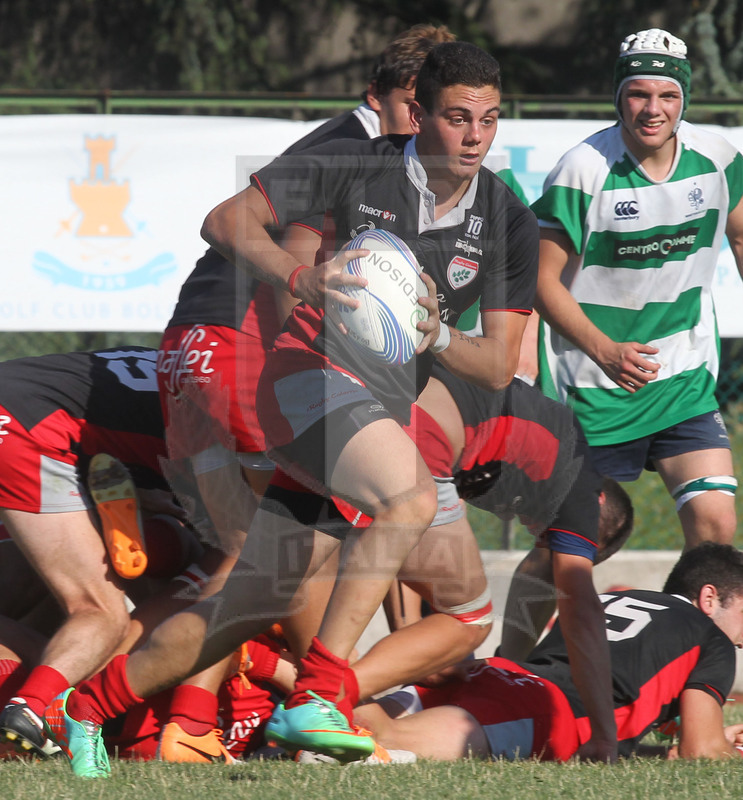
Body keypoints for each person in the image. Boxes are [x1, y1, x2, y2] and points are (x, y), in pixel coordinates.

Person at [531, 28, 743, 550]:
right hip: (594, 387)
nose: (654, 109)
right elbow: (538, 279)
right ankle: (528, 611)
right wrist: (605, 351)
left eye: (668, 95)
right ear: (618, 97)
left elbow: (740, 234)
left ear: (684, 99)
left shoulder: (717, 157)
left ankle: (690, 610)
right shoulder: (583, 170)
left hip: (683, 376)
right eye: (639, 94)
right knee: (582, 541)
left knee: (716, 525)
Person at [347, 543, 743, 762]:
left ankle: (320, 665)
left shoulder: (619, 598)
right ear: (709, 598)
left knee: (346, 715)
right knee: (385, 741)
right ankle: (316, 653)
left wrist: (677, 749)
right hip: (542, 707)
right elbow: (702, 752)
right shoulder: (713, 639)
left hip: (497, 674)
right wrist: (728, 749)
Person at [0, 347, 187, 758]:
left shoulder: (176, 357)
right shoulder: (249, 404)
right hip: (29, 431)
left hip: (27, 416)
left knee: (34, 584)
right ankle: (36, 705)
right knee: (101, 613)